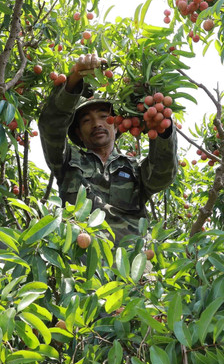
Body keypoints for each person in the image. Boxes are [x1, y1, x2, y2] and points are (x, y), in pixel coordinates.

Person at [37, 54, 178, 243]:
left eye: (104, 117)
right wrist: (74, 80)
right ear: (78, 133)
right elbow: (51, 127)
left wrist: (162, 129)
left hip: (128, 259)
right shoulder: (67, 161)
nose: (97, 124)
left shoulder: (135, 169)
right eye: (86, 120)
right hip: (79, 257)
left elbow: (163, 173)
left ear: (117, 125)